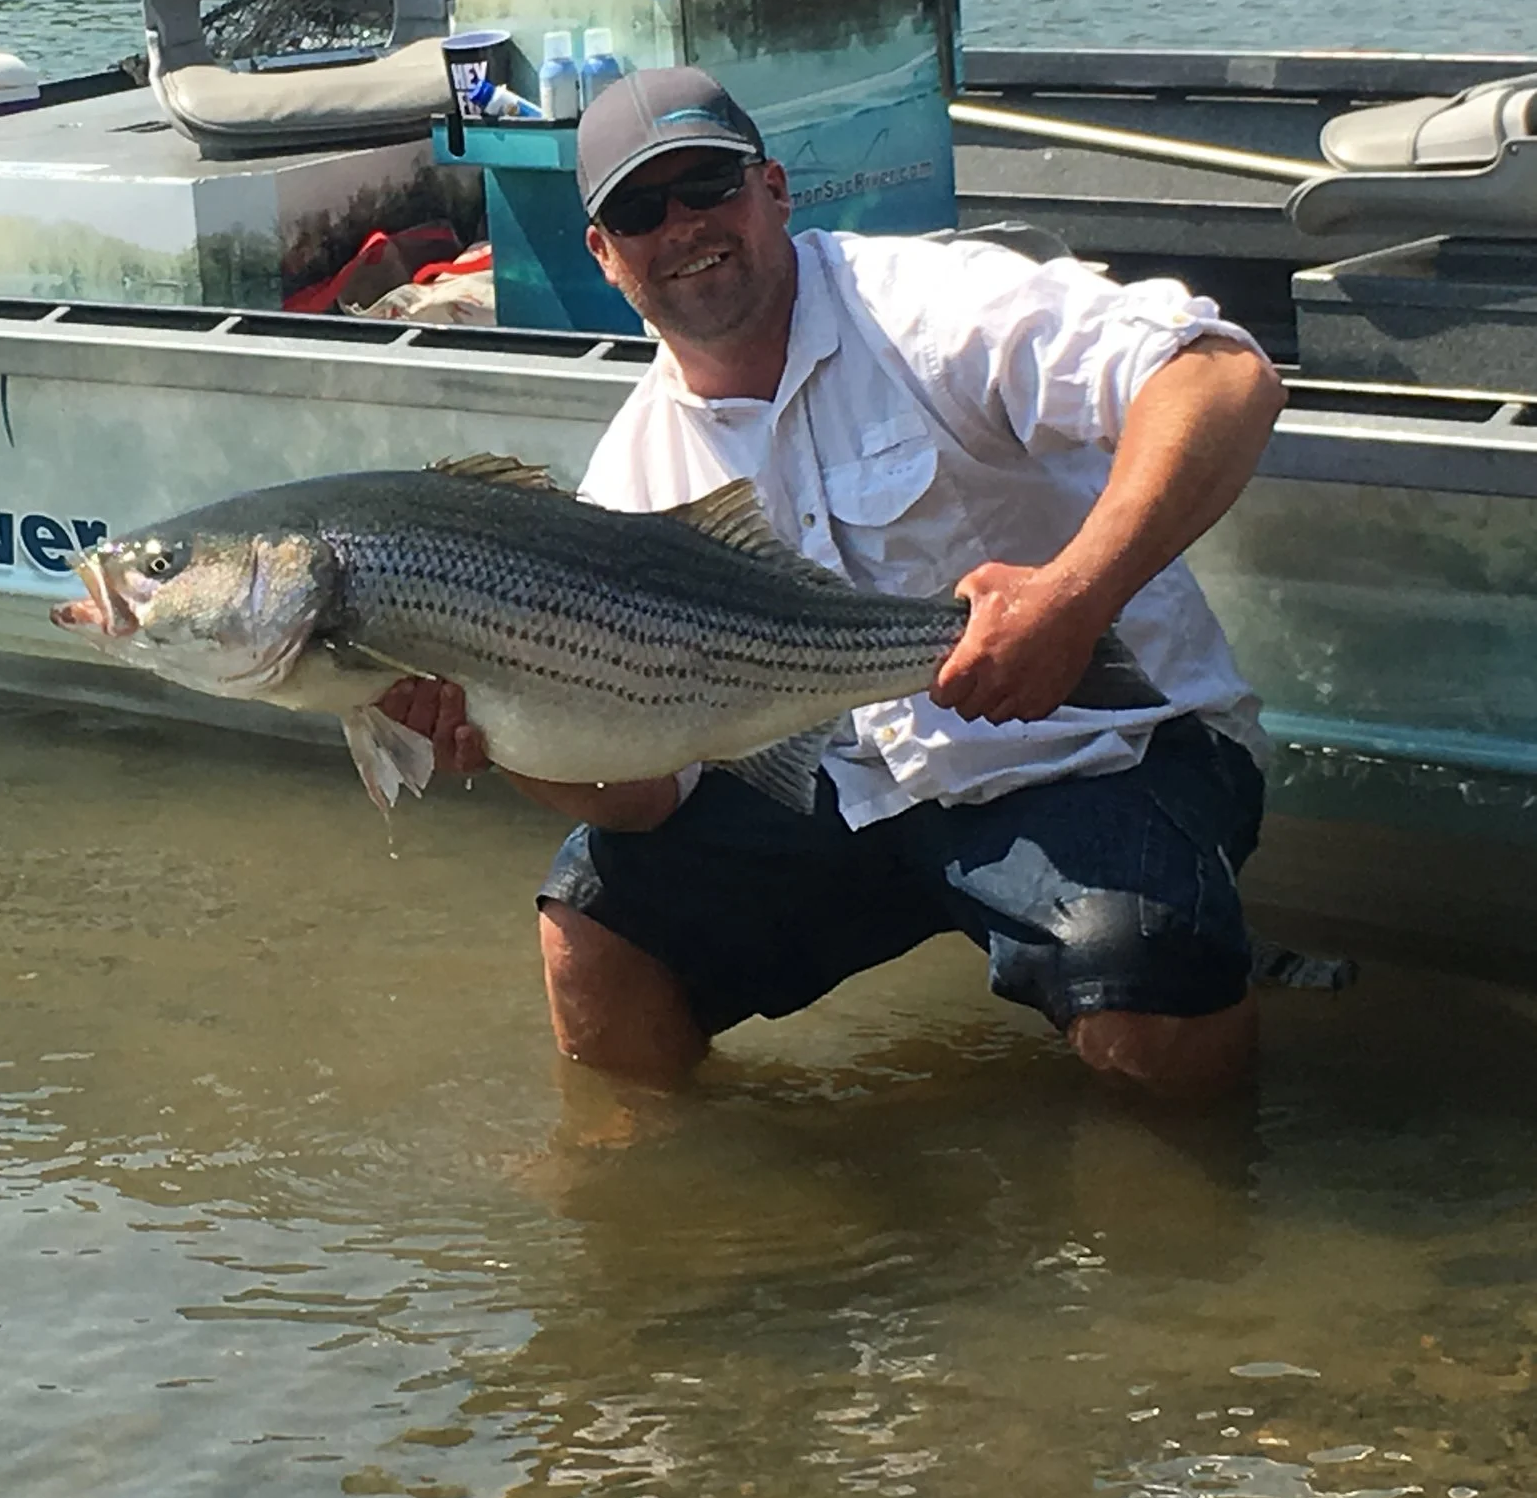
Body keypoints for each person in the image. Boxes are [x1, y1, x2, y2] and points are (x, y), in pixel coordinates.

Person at [379, 65, 1287, 1100]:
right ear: (603, 252)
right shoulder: (634, 472)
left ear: (772, 189)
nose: (680, 226)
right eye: (639, 209)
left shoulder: (929, 304)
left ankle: (1200, 1218)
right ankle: (677, 1215)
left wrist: (1076, 596)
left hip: (1101, 742)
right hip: (844, 785)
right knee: (594, 931)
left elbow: (1220, 375)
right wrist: (497, 735)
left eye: (709, 188)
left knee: (1143, 979)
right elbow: (642, 794)